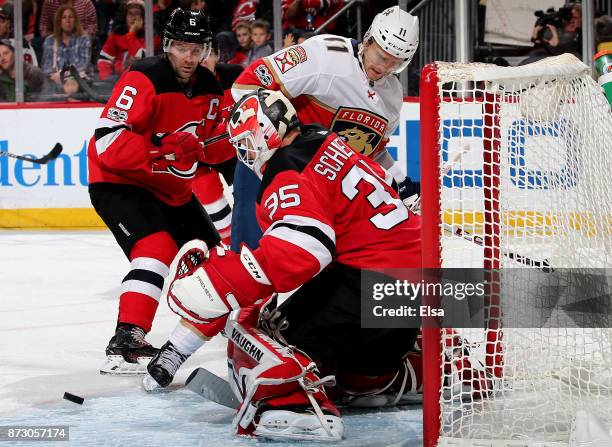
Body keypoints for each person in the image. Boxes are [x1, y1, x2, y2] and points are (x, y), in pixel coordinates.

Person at [145, 88, 422, 441]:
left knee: (272, 334)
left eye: (245, 144)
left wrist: (215, 283)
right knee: (354, 359)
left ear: (262, 135)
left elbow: (305, 250)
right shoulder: (323, 138)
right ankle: (400, 375)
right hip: (420, 283)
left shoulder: (286, 169)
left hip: (376, 282)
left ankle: (294, 408)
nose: (245, 155)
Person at [88, 8, 232, 375]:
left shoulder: (210, 88)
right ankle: (126, 342)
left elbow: (214, 148)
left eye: (197, 48)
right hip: (120, 182)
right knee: (156, 247)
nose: (189, 57)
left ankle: (243, 332)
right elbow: (107, 142)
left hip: (171, 190)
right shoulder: (144, 78)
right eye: (182, 47)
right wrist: (159, 145)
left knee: (217, 258)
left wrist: (233, 144)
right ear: (168, 44)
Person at [229, 5, 421, 251]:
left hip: (320, 192)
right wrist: (276, 138)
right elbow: (246, 86)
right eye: (382, 56)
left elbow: (370, 153)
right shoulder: (324, 55)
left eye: (396, 64)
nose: (384, 68)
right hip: (268, 171)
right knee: (250, 260)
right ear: (368, 39)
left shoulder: (392, 98)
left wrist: (401, 183)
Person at [97, 0, 153, 82]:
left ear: (143, 17)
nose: (133, 17)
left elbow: (143, 59)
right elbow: (104, 58)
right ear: (125, 16)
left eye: (137, 13)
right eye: (130, 13)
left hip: (141, 80)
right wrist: (106, 78)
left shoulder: (150, 35)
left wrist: (131, 34)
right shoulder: (117, 33)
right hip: (116, 79)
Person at [41, 5, 91, 94]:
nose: (68, 20)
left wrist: (64, 75)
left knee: (74, 85)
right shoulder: (50, 41)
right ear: (59, 21)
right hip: (56, 82)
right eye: (64, 17)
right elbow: (46, 68)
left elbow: (83, 65)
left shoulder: (83, 39)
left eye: (71, 17)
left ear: (75, 21)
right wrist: (58, 77)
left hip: (79, 79)